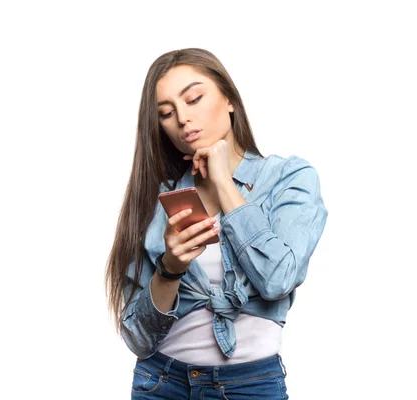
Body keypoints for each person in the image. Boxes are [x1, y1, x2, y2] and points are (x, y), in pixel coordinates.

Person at [105, 48, 328, 399]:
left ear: (229, 99)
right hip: (161, 383)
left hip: (251, 385)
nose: (183, 119)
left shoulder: (289, 178)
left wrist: (224, 182)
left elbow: (277, 280)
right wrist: (170, 269)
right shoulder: (158, 197)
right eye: (166, 113)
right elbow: (138, 338)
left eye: (194, 98)